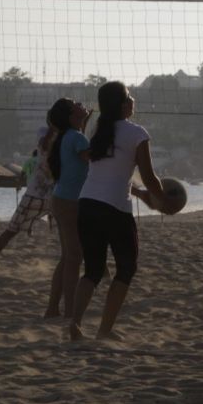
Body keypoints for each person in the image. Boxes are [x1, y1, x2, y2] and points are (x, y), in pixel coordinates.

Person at [69, 81, 166, 341]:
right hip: (114, 210)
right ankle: (104, 330)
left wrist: (143, 194)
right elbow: (149, 176)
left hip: (87, 205)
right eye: (129, 97)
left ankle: (75, 324)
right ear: (124, 105)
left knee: (92, 270)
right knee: (126, 269)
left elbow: (113, 175)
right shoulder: (136, 133)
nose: (133, 100)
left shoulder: (100, 131)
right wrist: (163, 199)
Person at [0, 128, 56, 273]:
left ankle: (102, 270)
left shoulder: (63, 141)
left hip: (55, 195)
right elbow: (43, 145)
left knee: (73, 233)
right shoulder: (45, 141)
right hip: (35, 195)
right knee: (11, 230)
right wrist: (54, 125)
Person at [48, 97, 92, 318]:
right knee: (74, 257)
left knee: (68, 256)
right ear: (71, 115)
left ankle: (53, 308)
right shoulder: (76, 137)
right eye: (76, 103)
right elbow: (94, 158)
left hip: (61, 200)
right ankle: (69, 312)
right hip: (70, 203)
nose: (81, 102)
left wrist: (85, 125)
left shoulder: (70, 135)